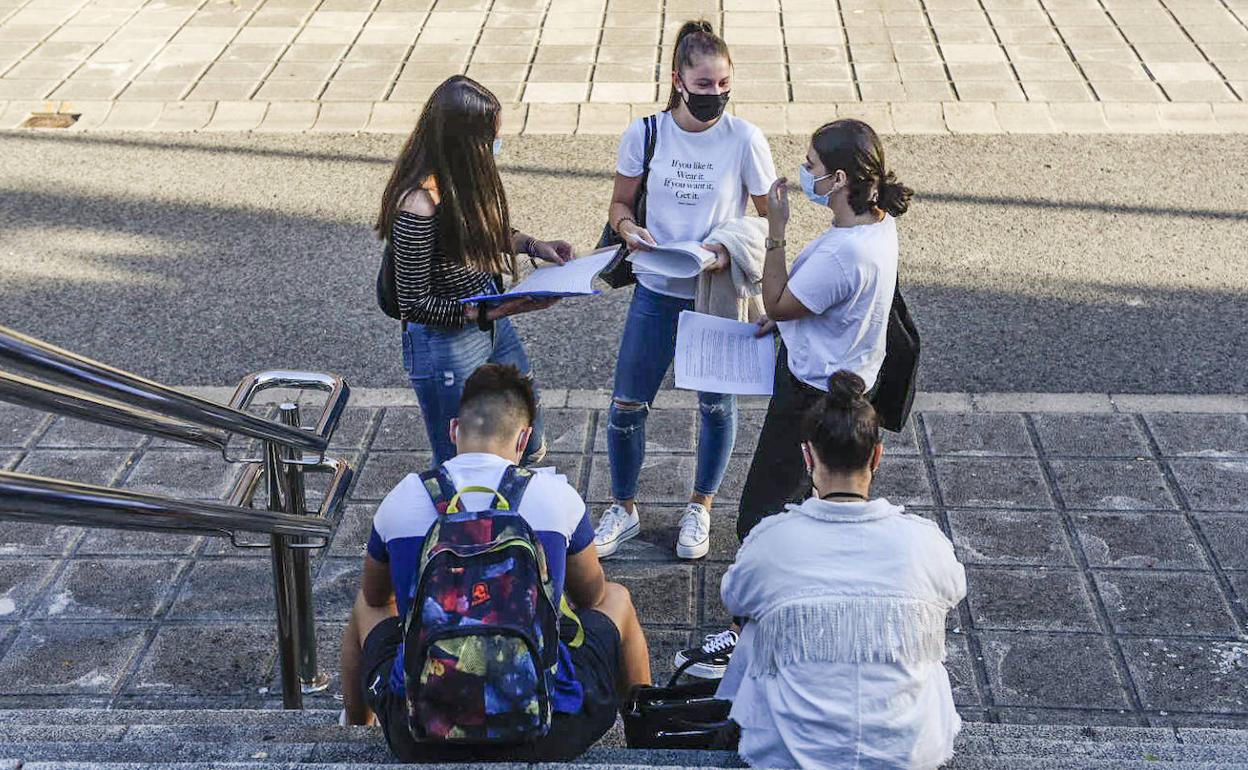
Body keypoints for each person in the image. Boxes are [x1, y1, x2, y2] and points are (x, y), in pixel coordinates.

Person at [339, 364, 652, 762]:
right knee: (617, 599)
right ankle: (646, 735)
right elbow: (592, 595)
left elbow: (375, 596)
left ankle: (354, 731)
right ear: (524, 438)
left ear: (454, 430)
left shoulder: (402, 499)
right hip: (547, 729)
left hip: (420, 732)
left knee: (366, 606)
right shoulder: (556, 498)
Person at [594, 19, 777, 567]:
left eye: (724, 84)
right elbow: (620, 203)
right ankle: (623, 508)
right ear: (677, 80)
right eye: (703, 85)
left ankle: (701, 505)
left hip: (713, 288)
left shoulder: (745, 139)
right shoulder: (645, 133)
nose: (715, 95)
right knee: (627, 404)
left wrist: (725, 249)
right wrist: (628, 229)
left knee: (716, 405)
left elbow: (771, 221)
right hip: (655, 287)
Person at [717, 371, 966, 769]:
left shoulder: (771, 540)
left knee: (756, 627)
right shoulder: (924, 541)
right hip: (909, 754)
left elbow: (735, 598)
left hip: (786, 755)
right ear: (877, 457)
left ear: (807, 457)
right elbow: (954, 590)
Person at [376, 75, 575, 467]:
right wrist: (499, 309)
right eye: (491, 139)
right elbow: (414, 303)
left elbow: (479, 231)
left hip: (489, 318)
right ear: (464, 142)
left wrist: (533, 246)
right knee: (463, 461)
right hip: (447, 341)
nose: (497, 146)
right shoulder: (417, 204)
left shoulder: (462, 175)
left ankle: (517, 489)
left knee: (525, 430)